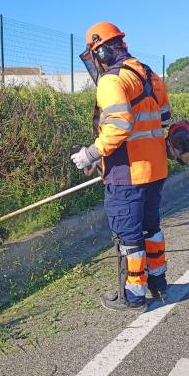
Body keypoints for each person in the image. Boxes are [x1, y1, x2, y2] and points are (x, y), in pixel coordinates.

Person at [71, 21, 171, 311]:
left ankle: (133, 295)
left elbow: (118, 125)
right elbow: (163, 118)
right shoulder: (149, 75)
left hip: (128, 174)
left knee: (128, 235)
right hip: (156, 170)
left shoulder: (112, 81)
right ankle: (158, 282)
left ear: (100, 52)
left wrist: (91, 154)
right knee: (150, 228)